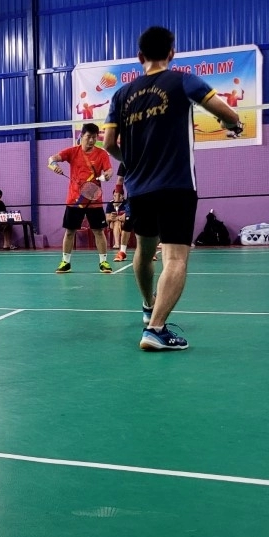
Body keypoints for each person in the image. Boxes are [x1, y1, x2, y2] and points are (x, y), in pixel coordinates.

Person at [103, 26, 242, 351]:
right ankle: (155, 329)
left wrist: (133, 162)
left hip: (139, 189)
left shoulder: (121, 94)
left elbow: (109, 144)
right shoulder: (183, 81)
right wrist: (233, 125)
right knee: (175, 258)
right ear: (171, 53)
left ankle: (148, 306)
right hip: (176, 186)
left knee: (144, 251)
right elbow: (227, 113)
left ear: (140, 56)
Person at [48, 123, 113, 273]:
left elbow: (109, 170)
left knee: (98, 231)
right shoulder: (72, 152)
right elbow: (51, 159)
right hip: (75, 200)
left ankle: (103, 262)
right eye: (88, 137)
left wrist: (107, 175)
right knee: (70, 231)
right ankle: (65, 262)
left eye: (94, 137)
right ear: (81, 136)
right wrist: (54, 165)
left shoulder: (102, 154)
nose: (91, 140)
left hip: (94, 199)